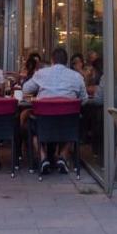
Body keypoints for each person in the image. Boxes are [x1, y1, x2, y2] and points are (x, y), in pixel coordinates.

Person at [22, 47, 88, 175]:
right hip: (67, 123)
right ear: (67, 61)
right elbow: (84, 100)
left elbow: (25, 89)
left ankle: (43, 157)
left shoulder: (41, 73)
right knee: (74, 127)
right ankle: (62, 156)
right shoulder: (77, 76)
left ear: (52, 60)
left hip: (44, 123)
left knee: (33, 130)